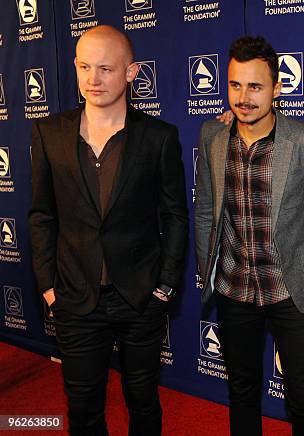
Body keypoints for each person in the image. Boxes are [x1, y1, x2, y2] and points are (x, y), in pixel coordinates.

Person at [28, 25, 188, 436]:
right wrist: (48, 285)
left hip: (140, 298)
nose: (93, 80)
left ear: (132, 73)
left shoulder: (159, 137)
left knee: (144, 403)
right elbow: (41, 215)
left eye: (105, 69)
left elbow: (175, 216)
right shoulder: (49, 134)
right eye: (84, 67)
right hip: (75, 299)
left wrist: (165, 286)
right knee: (83, 409)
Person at [194, 36, 304, 436]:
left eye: (255, 86)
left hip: (292, 288)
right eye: (235, 85)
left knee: (303, 396)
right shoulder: (212, 135)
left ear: (276, 88)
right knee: (241, 391)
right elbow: (206, 208)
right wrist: (208, 269)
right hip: (234, 288)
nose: (244, 97)